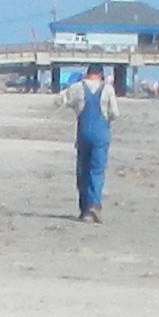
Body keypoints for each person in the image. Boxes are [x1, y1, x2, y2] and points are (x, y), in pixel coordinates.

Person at [71, 62, 115, 221]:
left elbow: (60, 100)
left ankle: (84, 210)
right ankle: (94, 205)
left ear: (87, 73)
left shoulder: (77, 87)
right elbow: (114, 113)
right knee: (97, 171)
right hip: (101, 134)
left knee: (83, 171)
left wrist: (76, 109)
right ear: (101, 75)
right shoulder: (108, 89)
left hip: (83, 133)